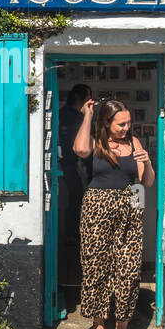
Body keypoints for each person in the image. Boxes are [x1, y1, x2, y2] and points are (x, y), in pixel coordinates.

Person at [73, 97, 155, 329]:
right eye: (121, 124)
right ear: (106, 123)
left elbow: (145, 184)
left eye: (129, 123)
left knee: (129, 269)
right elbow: (79, 150)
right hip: (97, 207)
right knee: (97, 265)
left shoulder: (134, 143)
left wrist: (148, 162)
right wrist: (87, 115)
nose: (126, 128)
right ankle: (98, 325)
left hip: (131, 204)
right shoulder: (96, 142)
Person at [58, 83, 91, 242]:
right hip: (69, 164)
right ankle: (71, 234)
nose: (90, 100)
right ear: (79, 97)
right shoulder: (77, 117)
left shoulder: (62, 113)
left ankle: (71, 233)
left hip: (69, 163)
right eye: (88, 96)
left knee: (75, 197)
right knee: (76, 196)